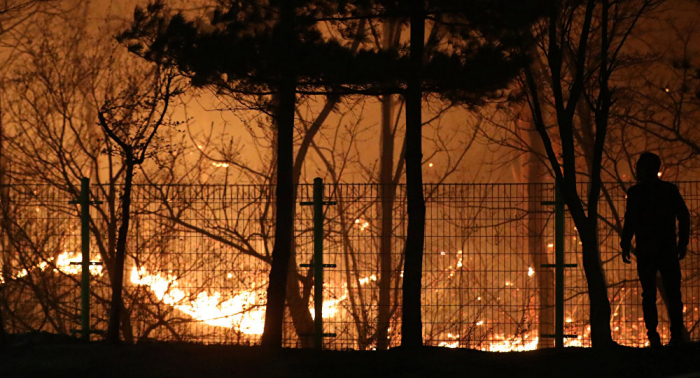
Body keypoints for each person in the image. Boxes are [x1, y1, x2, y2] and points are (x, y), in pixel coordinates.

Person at [621, 152, 689, 348]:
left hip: (646, 250)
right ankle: (676, 336)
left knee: (649, 295)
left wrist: (626, 242)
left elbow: (630, 220)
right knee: (673, 293)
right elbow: (683, 216)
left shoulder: (635, 193)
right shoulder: (669, 190)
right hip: (667, 248)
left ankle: (653, 336)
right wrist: (682, 242)